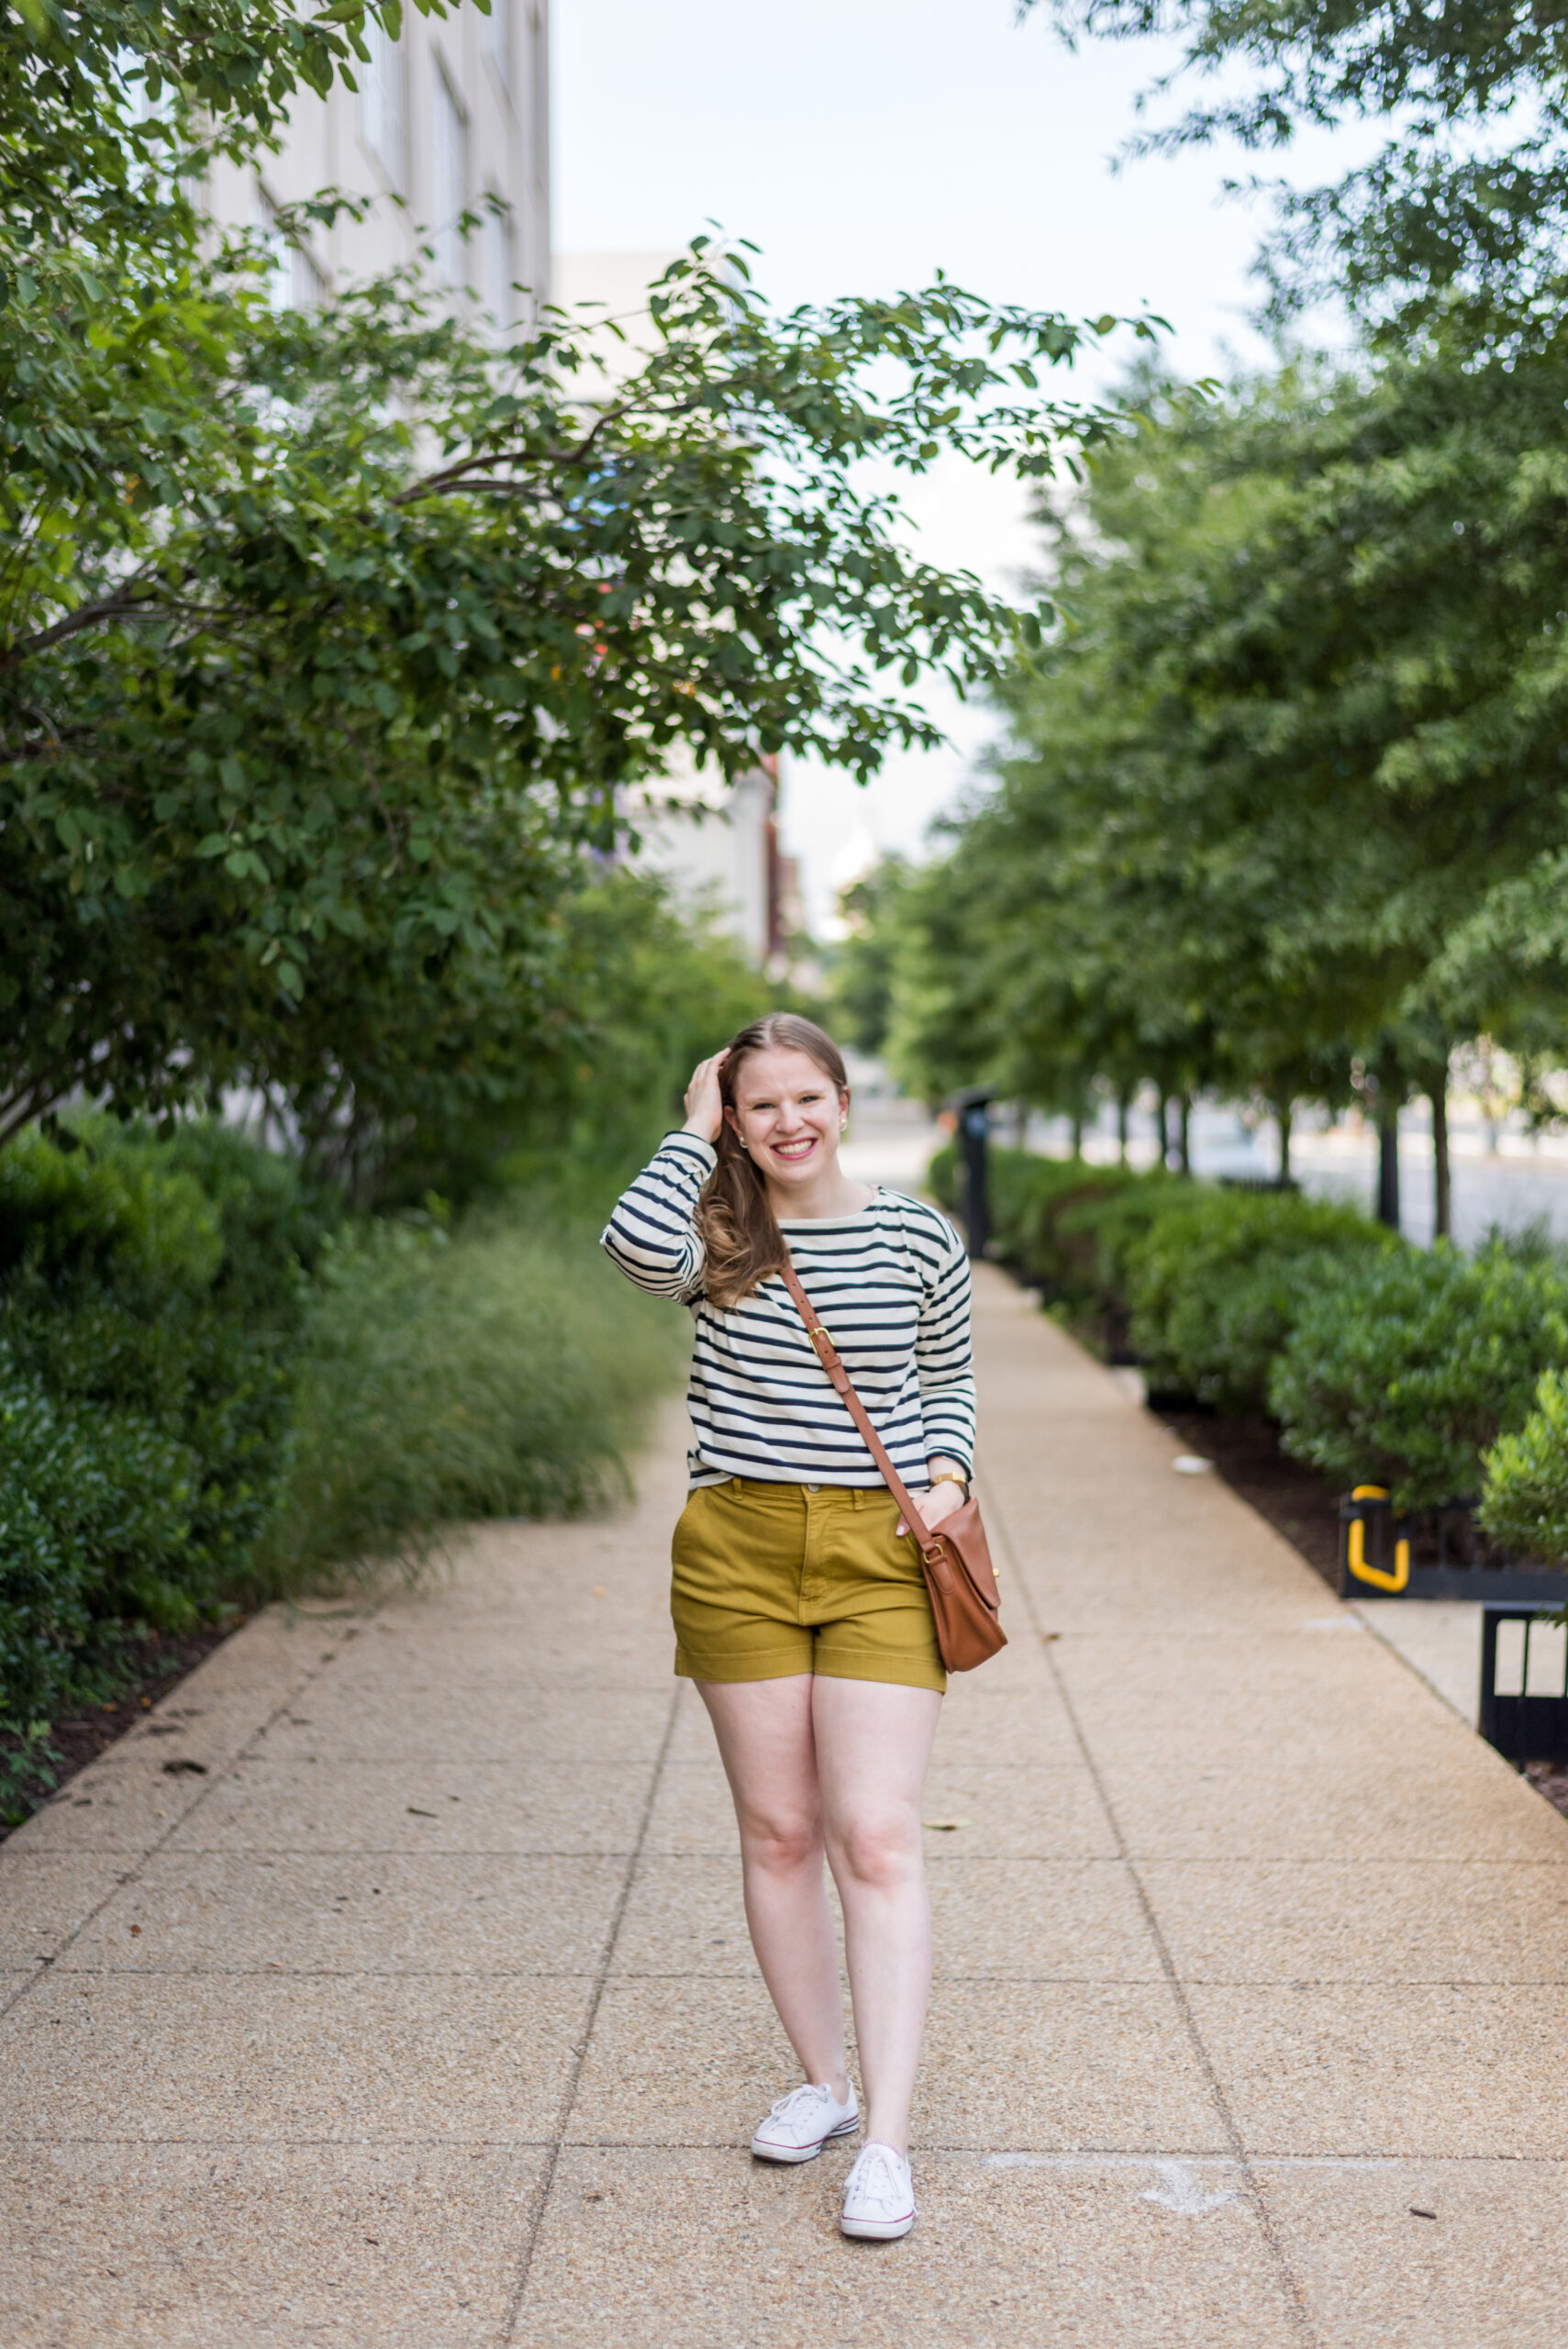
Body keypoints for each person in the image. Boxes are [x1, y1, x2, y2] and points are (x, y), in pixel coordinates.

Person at [602, 1012, 976, 2243]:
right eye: (759, 1105)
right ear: (733, 1116)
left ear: (842, 1097)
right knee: (777, 1834)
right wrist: (686, 1127)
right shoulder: (715, 1231)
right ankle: (822, 2082)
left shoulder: (917, 1233)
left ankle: (885, 2143)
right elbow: (626, 1248)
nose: (787, 1123)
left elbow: (945, 1375)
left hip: (878, 1554)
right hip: (739, 1550)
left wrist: (947, 1476)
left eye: (804, 1098)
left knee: (873, 1838)